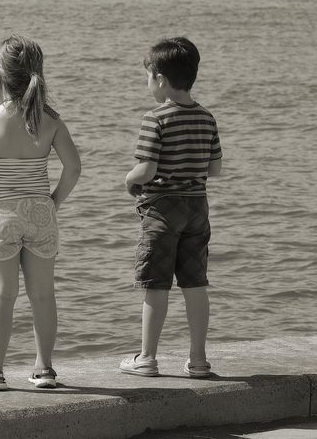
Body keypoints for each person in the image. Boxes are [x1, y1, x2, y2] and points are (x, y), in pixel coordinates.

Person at [0, 35, 81, 391]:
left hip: (1, 216)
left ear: (0, 77)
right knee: (43, 295)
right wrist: (53, 202)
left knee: (2, 295)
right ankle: (44, 369)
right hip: (40, 214)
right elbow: (73, 168)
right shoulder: (51, 122)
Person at [119, 37, 222, 379]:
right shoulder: (207, 117)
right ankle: (199, 360)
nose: (148, 84)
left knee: (156, 283)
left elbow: (146, 169)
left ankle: (147, 357)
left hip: (162, 210)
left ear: (160, 79)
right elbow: (215, 169)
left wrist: (129, 179)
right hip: (197, 208)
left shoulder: (155, 118)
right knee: (195, 283)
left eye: (148, 77)